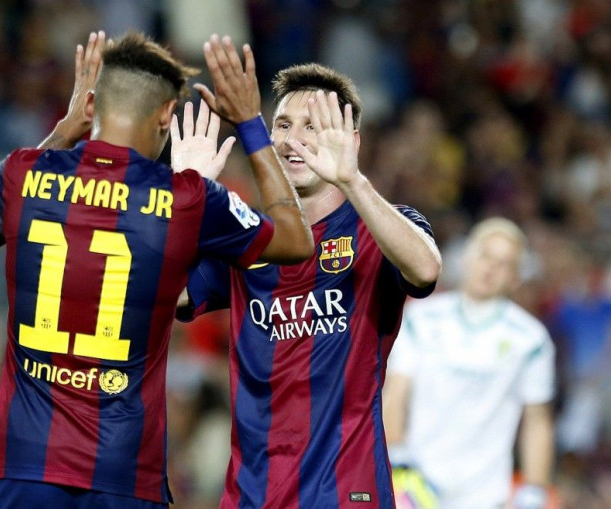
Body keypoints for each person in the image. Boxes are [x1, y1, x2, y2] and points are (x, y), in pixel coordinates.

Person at [0, 30, 314, 509]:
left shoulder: (23, 173)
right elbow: (297, 240)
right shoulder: (186, 198)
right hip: (122, 475)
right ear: (167, 116)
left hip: (17, 462)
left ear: (92, 105)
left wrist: (68, 125)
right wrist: (252, 123)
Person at [177, 64, 442, 508]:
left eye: (312, 126)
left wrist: (352, 180)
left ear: (350, 140)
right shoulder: (247, 236)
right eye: (282, 124)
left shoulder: (381, 227)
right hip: (252, 492)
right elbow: (172, 293)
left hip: (346, 490)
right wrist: (185, 193)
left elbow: (425, 270)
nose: (292, 138)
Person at [383, 217, 556, 509]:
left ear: (515, 277)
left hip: (485, 494)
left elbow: (537, 421)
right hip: (417, 486)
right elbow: (395, 393)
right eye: (485, 255)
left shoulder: (531, 340)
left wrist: (534, 490)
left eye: (504, 263)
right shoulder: (420, 319)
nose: (490, 268)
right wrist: (396, 456)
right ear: (466, 258)